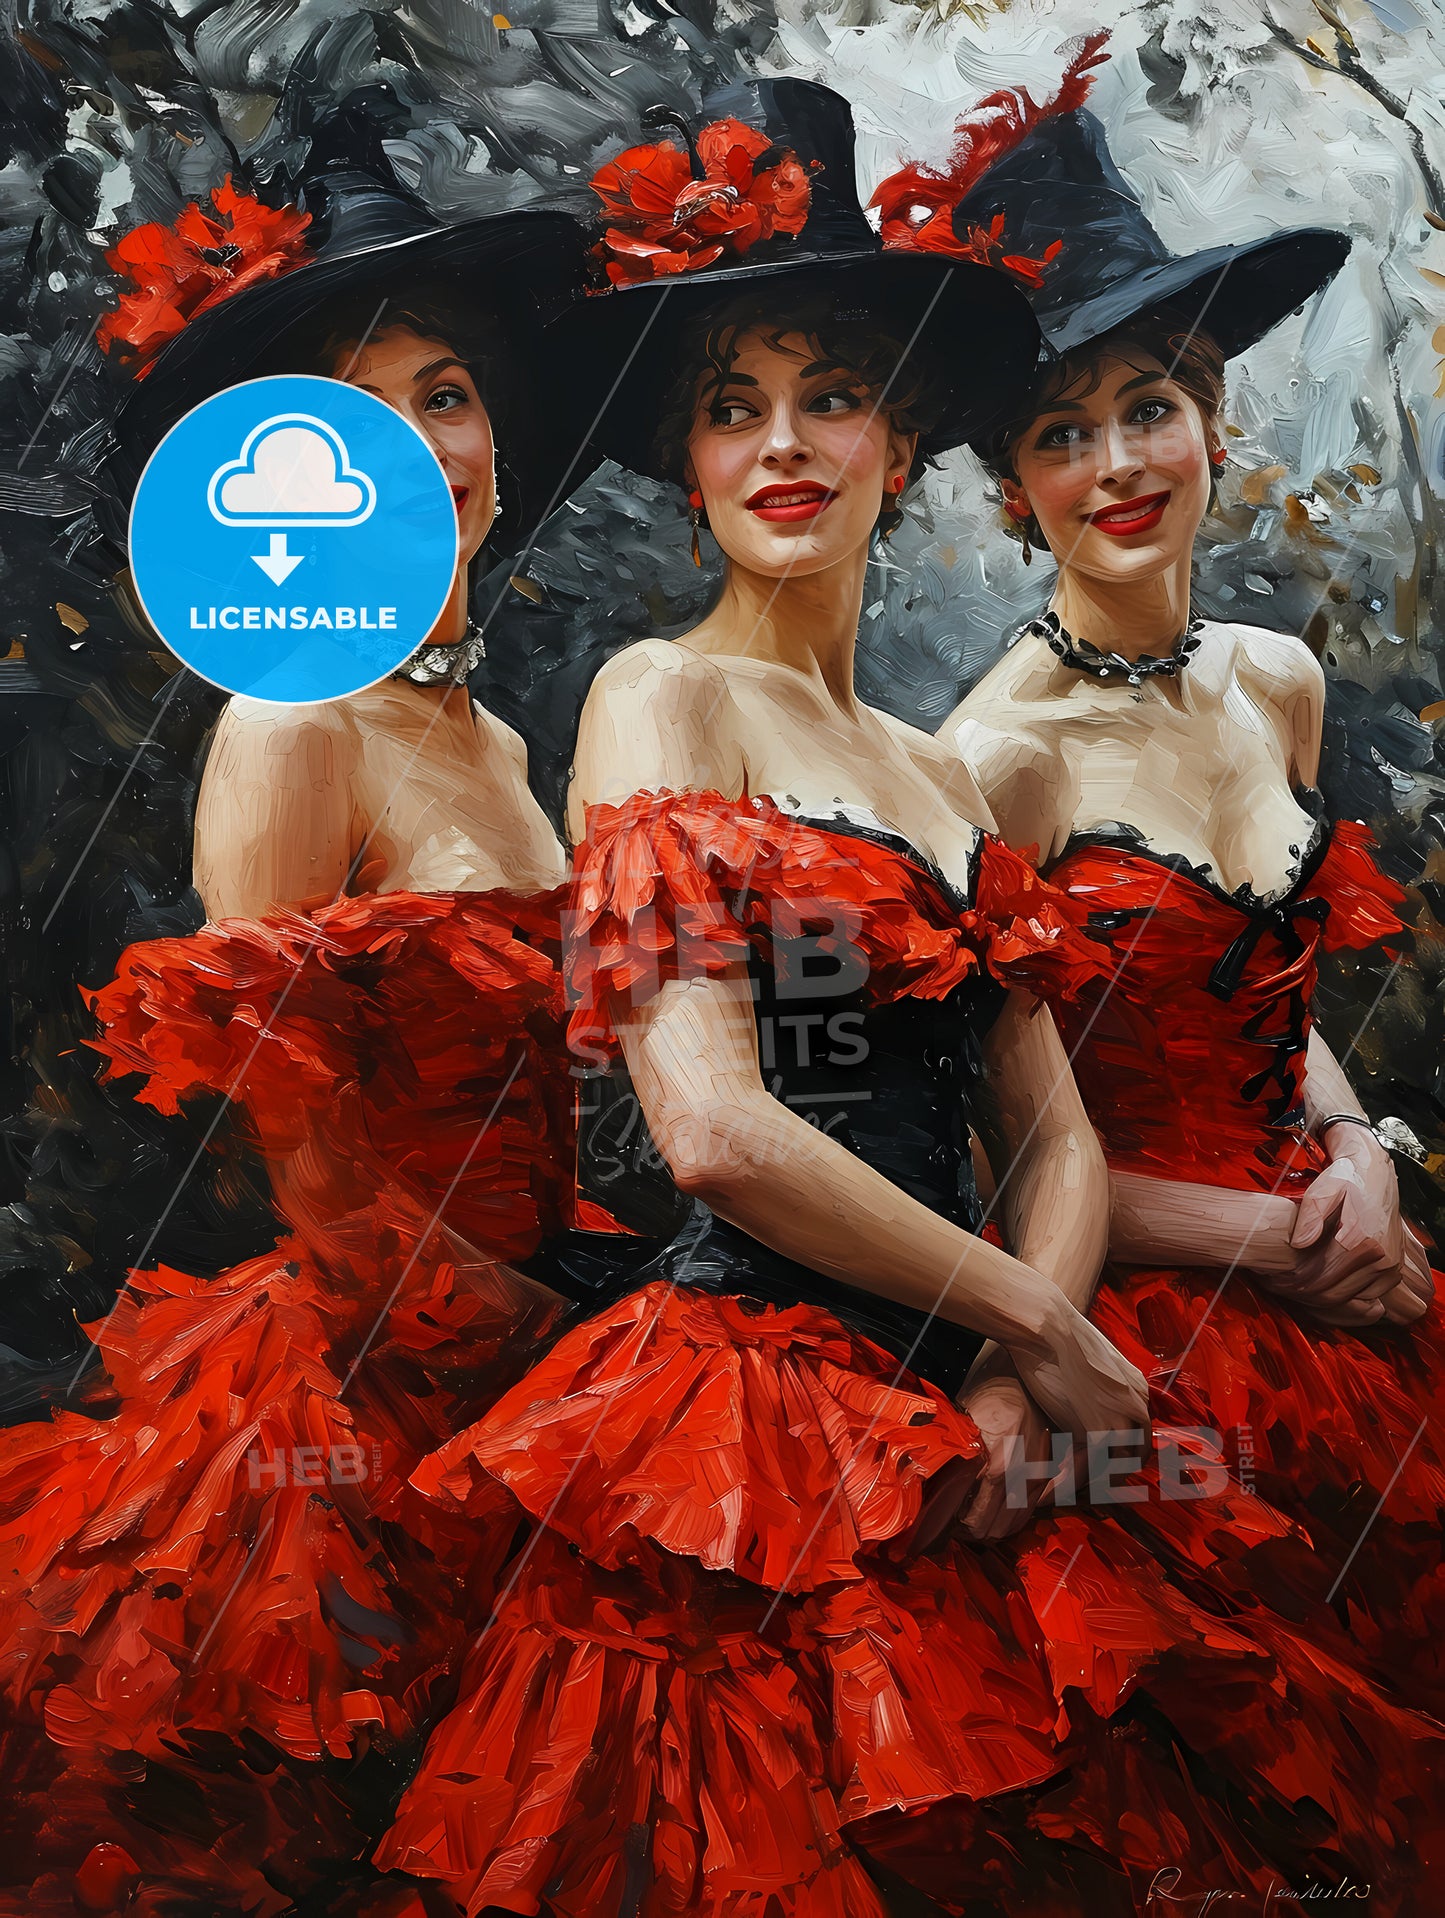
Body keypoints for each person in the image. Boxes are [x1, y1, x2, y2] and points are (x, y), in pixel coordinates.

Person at [378, 80, 1439, 1918]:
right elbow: (713, 1131)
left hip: (963, 1379)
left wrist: (1025, 1366)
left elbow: (1049, 1134)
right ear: (688, 461)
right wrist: (1039, 1327)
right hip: (753, 1396)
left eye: (830, 395)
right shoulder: (659, 694)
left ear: (903, 431)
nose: (782, 444)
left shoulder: (931, 770)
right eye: (732, 407)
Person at [874, 46, 1445, 1884]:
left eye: (1150, 407)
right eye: (1062, 432)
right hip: (1143, 1335)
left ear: (1211, 417)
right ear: (1007, 487)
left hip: (1343, 1275)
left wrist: (1357, 1155)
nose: (1117, 463)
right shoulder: (994, 759)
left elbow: (1277, 1001)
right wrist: (1277, 1236)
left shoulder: (1275, 679)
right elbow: (988, 1150)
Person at [0, 166, 592, 1916]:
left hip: (536, 1336)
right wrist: (527, 1342)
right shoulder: (290, 718)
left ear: (495, 441)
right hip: (366, 1394)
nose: (417, 446)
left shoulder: (501, 742)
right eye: (351, 415)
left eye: (444, 395)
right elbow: (297, 1144)